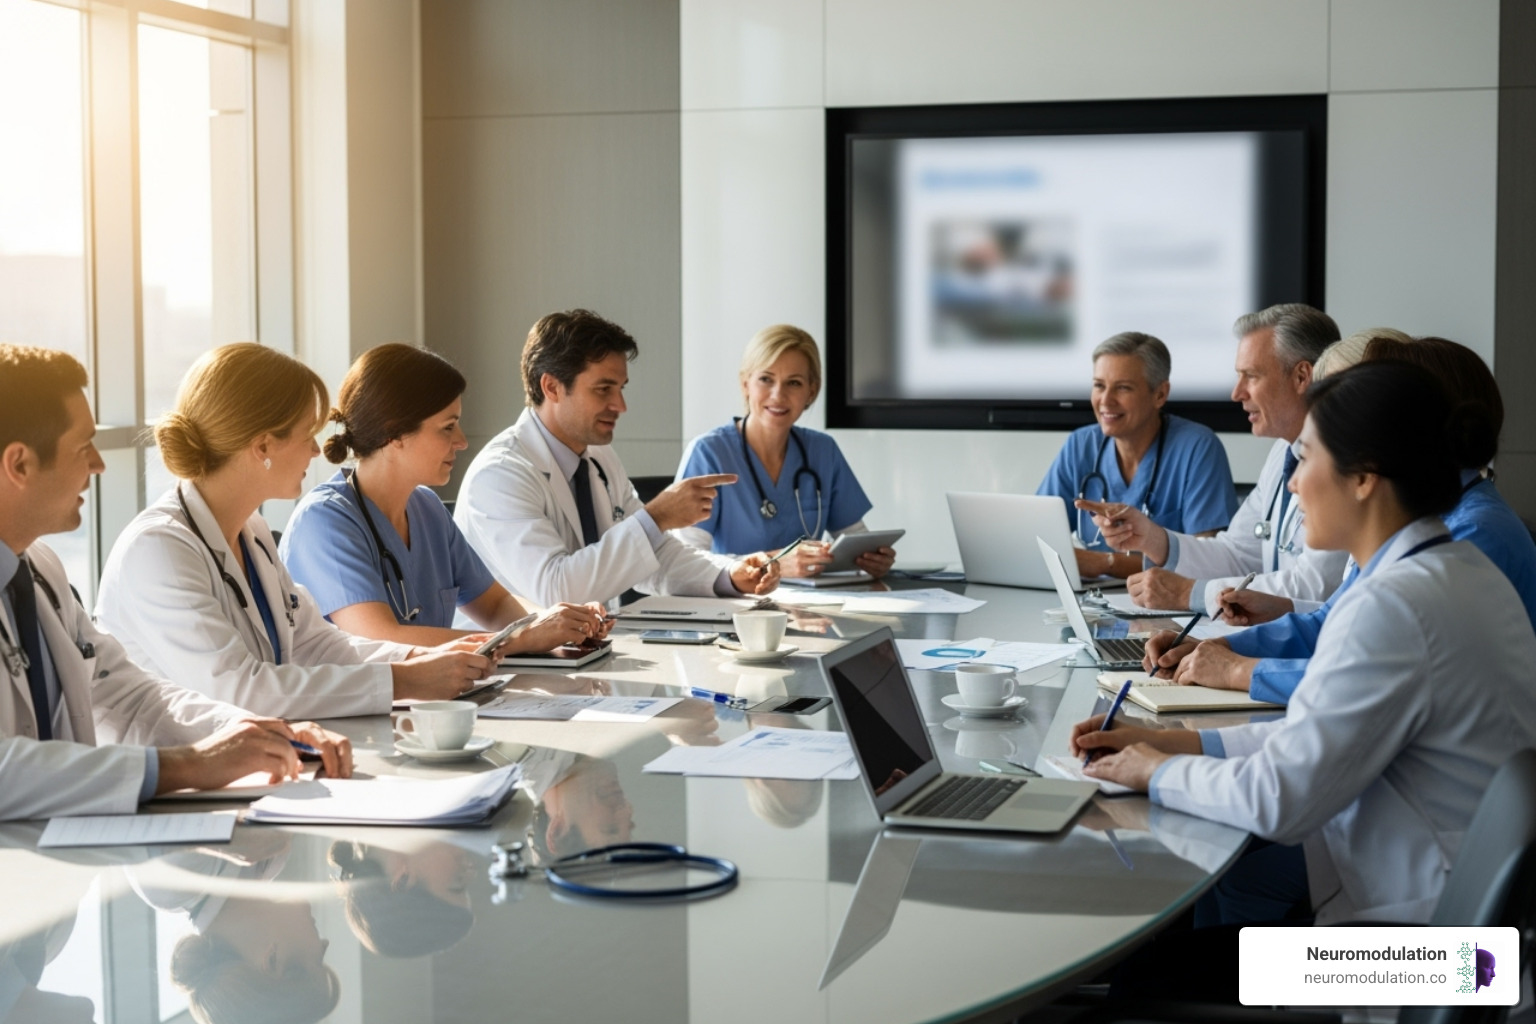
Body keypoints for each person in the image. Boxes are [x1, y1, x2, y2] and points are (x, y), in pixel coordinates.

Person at [1072, 360, 1536, 931]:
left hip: (1423, 963)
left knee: (1149, 971)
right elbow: (1316, 735)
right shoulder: (1455, 569)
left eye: (1306, 459)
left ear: (1364, 476)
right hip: (1468, 948)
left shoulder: (1396, 605)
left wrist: (1154, 771)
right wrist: (1174, 743)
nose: (1293, 484)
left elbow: (1279, 799)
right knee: (1193, 934)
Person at [0, 344, 350, 822]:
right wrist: (189, 764)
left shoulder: (40, 568)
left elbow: (128, 694)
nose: (99, 465)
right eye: (83, 448)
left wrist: (258, 733)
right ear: (19, 465)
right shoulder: (155, 544)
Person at [97, 343, 496, 721]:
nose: (316, 450)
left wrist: (416, 660)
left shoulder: (250, 532)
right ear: (263, 447)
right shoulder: (158, 549)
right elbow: (240, 689)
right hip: (175, 762)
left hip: (257, 749)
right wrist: (404, 680)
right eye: (307, 434)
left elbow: (315, 643)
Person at [1145, 335, 1536, 702]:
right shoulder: (1420, 521)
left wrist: (1238, 670)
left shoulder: (1472, 534)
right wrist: (1217, 648)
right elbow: (1328, 622)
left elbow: (1363, 681)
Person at [280, 343, 609, 650]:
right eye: (448, 427)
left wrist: (561, 621)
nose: (462, 441)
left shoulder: (427, 509)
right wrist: (520, 638)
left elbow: (495, 605)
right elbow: (383, 640)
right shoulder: (324, 521)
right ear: (394, 433)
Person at [454, 309, 780, 606]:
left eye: (621, 388)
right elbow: (556, 591)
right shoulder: (499, 475)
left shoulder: (599, 456)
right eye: (603, 389)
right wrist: (656, 516)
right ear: (552, 387)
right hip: (514, 652)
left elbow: (651, 555)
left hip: (591, 642)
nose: (620, 405)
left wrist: (728, 575)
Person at [1079, 303, 1348, 615]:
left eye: (1251, 376)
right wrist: (1152, 538)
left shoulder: (1345, 459)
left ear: (1301, 376)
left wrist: (1191, 594)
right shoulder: (1282, 454)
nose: (1237, 393)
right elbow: (1237, 554)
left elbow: (1315, 588)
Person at [675, 325, 893, 578]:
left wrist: (871, 561)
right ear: (745, 384)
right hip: (736, 601)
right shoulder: (709, 453)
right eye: (766, 379)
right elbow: (685, 563)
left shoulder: (823, 451)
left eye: (794, 383)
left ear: (811, 391)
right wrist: (774, 563)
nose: (778, 395)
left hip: (811, 601)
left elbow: (855, 541)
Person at [1037, 331, 1238, 580]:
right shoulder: (1081, 444)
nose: (1105, 401)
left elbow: (1209, 563)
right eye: (1099, 385)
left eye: (1123, 388)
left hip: (1169, 602)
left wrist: (1104, 563)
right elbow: (1037, 534)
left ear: (1160, 394)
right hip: (1090, 598)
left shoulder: (1198, 448)